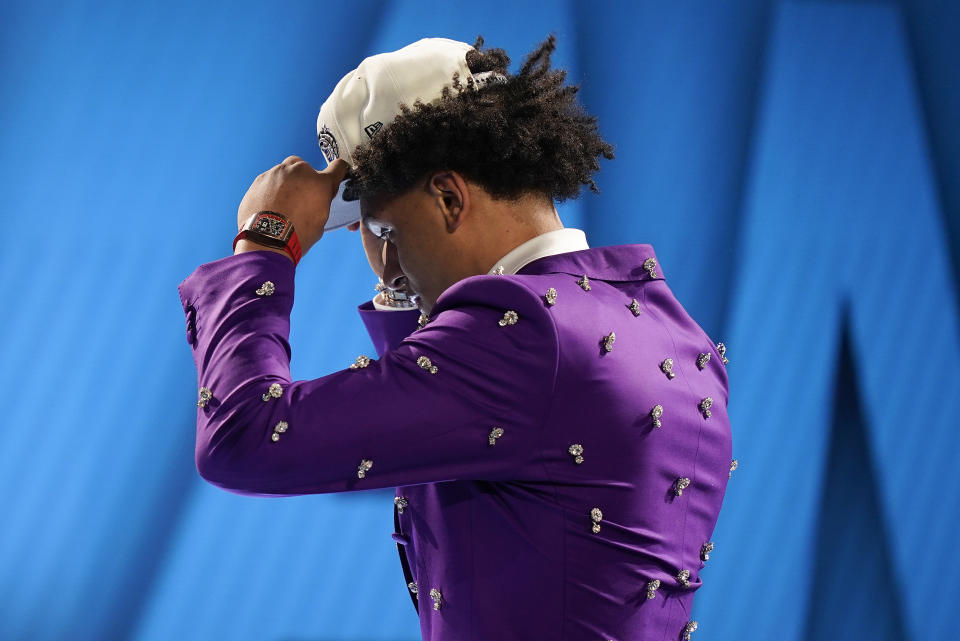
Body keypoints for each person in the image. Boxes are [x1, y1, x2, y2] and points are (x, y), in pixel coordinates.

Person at [177, 34, 734, 641]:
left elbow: (245, 438)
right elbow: (447, 422)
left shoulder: (520, 338)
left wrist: (265, 242)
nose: (383, 264)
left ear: (448, 196)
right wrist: (402, 288)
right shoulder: (662, 324)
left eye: (386, 229)